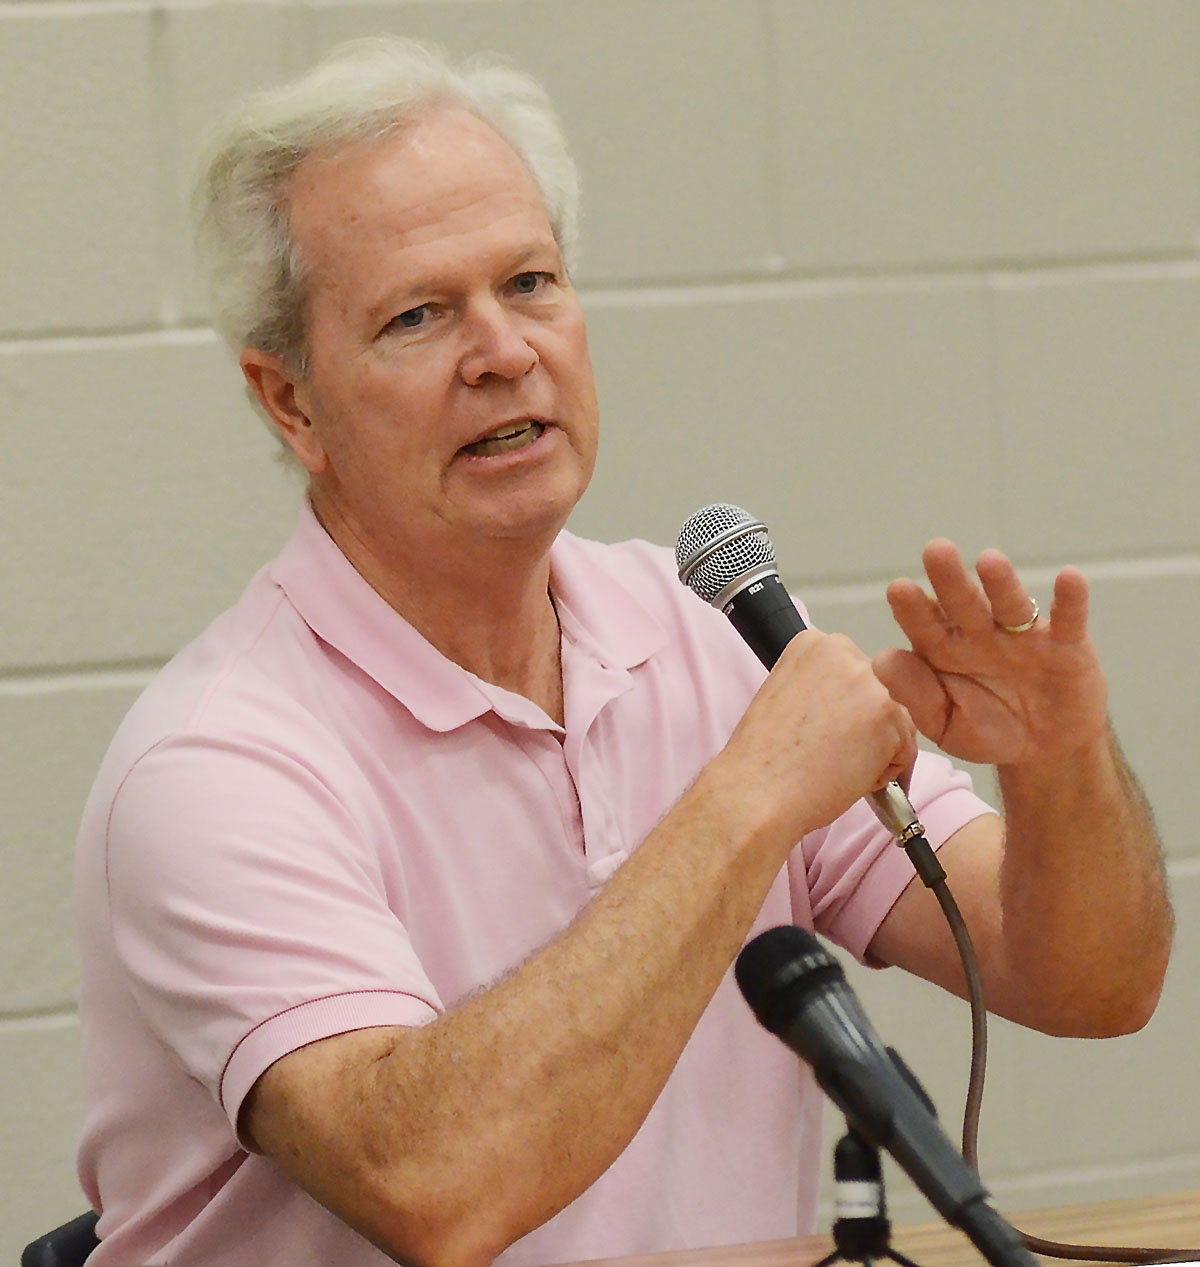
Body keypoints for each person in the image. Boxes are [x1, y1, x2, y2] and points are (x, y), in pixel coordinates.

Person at [73, 35, 1171, 1267]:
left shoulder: (704, 627)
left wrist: (1063, 762)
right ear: (293, 403)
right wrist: (750, 796)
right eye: (418, 315)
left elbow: (1090, 984)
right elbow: (433, 1186)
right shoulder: (216, 763)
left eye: (531, 282)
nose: (504, 351)